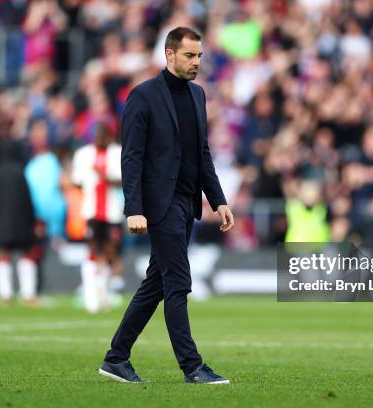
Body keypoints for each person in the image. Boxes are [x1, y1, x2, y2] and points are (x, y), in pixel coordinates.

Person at [99, 27, 235, 384]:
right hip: (160, 206)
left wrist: (217, 200)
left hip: (187, 203)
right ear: (169, 55)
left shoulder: (198, 95)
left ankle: (116, 357)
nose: (196, 63)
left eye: (200, 56)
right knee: (177, 281)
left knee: (156, 285)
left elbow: (202, 154)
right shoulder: (142, 96)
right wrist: (134, 208)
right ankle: (192, 366)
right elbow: (132, 158)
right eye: (190, 56)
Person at [72, 122, 124, 313]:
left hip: (113, 211)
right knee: (93, 250)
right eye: (96, 134)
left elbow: (124, 179)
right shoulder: (83, 154)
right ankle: (91, 295)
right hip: (91, 211)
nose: (99, 138)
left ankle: (102, 292)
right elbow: (77, 182)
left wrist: (103, 176)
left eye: (102, 134)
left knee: (111, 252)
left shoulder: (117, 153)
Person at [0, 141, 39, 306]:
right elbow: (27, 200)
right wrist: (33, 221)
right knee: (26, 254)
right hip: (21, 223)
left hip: (1, 224)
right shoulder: (20, 173)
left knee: (4, 255)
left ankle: (5, 295)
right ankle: (28, 294)